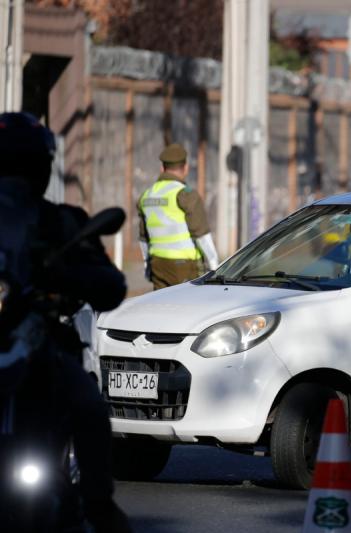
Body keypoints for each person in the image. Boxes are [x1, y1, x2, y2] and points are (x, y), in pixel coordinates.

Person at [0, 112, 131, 531]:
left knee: (89, 404)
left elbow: (111, 285)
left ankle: (99, 505)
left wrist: (63, 272)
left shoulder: (62, 222)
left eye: (21, 166)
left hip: (39, 353)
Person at [138, 143, 219, 289]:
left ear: (162, 168)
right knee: (189, 308)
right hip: (184, 265)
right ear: (186, 168)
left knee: (162, 307)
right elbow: (201, 234)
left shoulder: (147, 195)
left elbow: (143, 238)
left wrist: (147, 264)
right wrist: (214, 266)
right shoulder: (185, 194)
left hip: (158, 264)